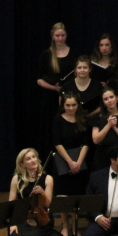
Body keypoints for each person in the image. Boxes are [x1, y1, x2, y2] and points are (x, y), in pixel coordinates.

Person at [0, 148, 60, 236]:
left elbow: (48, 204)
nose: (33, 160)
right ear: (22, 164)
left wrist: (42, 193)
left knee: (37, 234)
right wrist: (12, 224)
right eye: (28, 159)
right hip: (22, 218)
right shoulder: (17, 179)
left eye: (34, 157)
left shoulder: (47, 178)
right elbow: (11, 204)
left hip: (42, 219)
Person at [53, 93, 90, 236]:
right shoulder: (58, 120)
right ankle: (65, 226)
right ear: (63, 105)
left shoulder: (82, 120)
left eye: (73, 105)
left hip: (79, 161)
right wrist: (70, 162)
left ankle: (75, 226)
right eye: (67, 105)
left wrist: (78, 162)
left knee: (76, 196)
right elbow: (57, 142)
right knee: (63, 195)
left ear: (78, 105)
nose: (70, 108)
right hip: (63, 160)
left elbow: (87, 143)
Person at [37, 22, 76, 150]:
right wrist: (53, 88)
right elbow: (39, 80)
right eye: (57, 36)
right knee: (51, 129)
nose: (60, 39)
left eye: (62, 35)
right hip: (50, 98)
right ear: (52, 36)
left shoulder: (73, 54)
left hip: (68, 98)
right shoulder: (47, 54)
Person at [90, 85, 118, 171]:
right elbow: (95, 140)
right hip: (102, 154)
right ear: (103, 102)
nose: (109, 101)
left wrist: (115, 127)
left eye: (111, 97)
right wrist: (108, 125)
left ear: (117, 98)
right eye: (106, 99)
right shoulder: (97, 117)